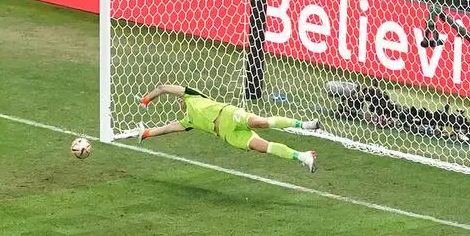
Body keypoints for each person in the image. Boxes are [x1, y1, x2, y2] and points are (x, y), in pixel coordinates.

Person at [114, 84, 318, 172]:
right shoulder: (188, 122)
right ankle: (303, 156)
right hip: (227, 135)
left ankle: (304, 125)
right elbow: (167, 129)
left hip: (229, 114)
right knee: (263, 146)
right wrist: (146, 133)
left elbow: (164, 88)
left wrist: (146, 99)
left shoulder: (192, 96)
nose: (178, 102)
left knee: (261, 122)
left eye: (178, 100)